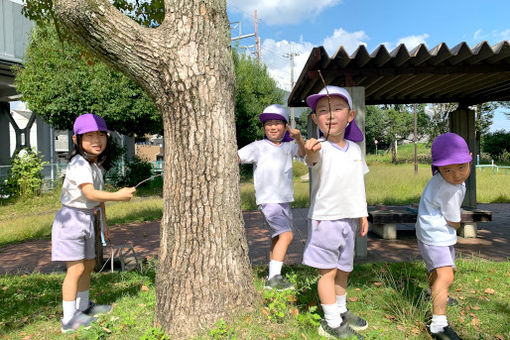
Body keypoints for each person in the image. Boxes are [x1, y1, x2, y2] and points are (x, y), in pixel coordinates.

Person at [52, 113, 136, 333]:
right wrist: (118, 195)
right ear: (76, 140)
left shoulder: (94, 164)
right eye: (89, 136)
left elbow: (97, 200)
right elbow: (89, 193)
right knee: (76, 268)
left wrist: (104, 225)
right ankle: (68, 320)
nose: (97, 141)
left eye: (101, 135)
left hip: (88, 218)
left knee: (88, 266)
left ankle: (83, 307)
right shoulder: (79, 163)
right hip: (71, 220)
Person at [303, 86, 369, 339]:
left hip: (350, 220)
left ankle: (341, 311)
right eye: (322, 111)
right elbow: (310, 159)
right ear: (314, 119)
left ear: (350, 116)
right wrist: (309, 150)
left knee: (344, 269)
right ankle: (331, 322)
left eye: (337, 109)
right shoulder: (318, 148)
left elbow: (358, 185)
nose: (330, 115)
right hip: (325, 220)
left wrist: (362, 214)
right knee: (327, 272)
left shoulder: (354, 150)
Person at [238, 104, 305, 290]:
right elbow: (237, 157)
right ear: (264, 127)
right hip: (268, 200)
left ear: (285, 127)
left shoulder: (288, 146)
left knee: (277, 237)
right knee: (287, 235)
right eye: (268, 124)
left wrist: (299, 139)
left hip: (284, 200)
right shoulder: (258, 147)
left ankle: (273, 274)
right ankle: (274, 280)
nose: (272, 127)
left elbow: (303, 153)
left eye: (277, 123)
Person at [416, 132, 472, 340]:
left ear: (470, 159)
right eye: (448, 169)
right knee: (446, 275)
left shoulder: (443, 181)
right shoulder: (450, 188)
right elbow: (452, 219)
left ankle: (436, 295)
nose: (456, 175)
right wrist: (457, 225)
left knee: (437, 270)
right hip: (436, 234)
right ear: (437, 168)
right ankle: (438, 324)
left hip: (428, 233)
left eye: (461, 167)